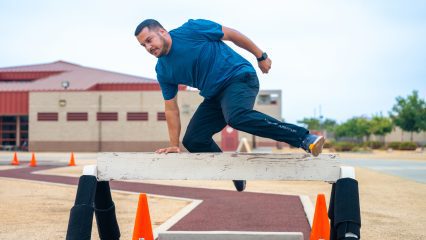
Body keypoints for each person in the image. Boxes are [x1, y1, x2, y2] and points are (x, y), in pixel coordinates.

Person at [134, 19, 325, 192]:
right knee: (193, 139)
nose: (148, 47)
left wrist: (260, 56)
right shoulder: (163, 70)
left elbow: (232, 34)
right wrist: (174, 145)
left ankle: (304, 138)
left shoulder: (191, 29)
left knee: (236, 117)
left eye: (149, 40)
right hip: (214, 95)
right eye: (143, 45)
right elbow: (171, 108)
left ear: (162, 31)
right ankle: (234, 171)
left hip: (239, 77)